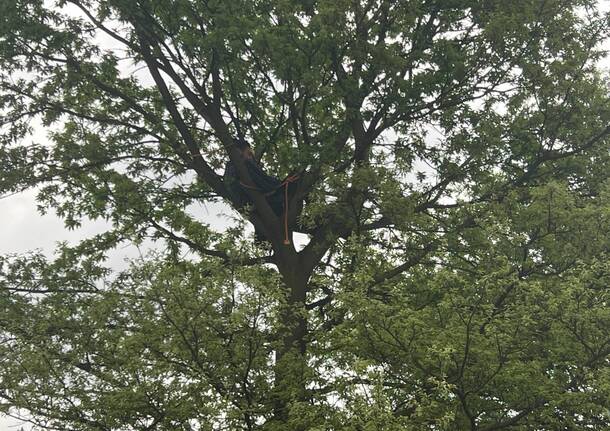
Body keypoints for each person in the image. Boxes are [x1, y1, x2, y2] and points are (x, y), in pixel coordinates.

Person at [223, 139, 296, 217]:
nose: (251, 158)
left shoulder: (230, 172)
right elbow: (266, 184)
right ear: (238, 152)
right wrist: (280, 186)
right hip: (266, 204)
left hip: (258, 206)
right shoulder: (244, 166)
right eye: (249, 154)